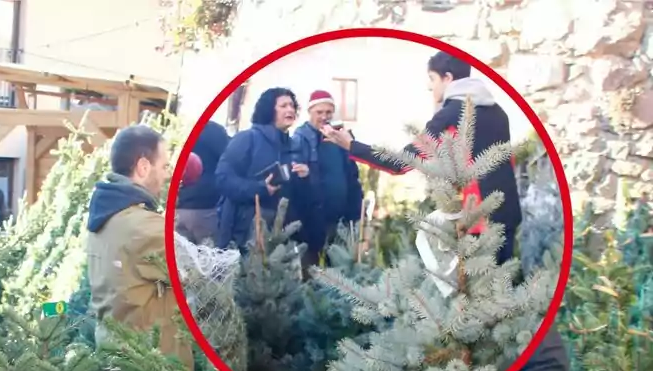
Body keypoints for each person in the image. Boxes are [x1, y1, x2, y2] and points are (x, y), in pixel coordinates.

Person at [322, 51, 522, 265]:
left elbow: (402, 162)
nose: (430, 86)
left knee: (474, 293)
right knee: (502, 287)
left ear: (448, 78)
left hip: (476, 221)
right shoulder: (499, 112)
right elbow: (506, 162)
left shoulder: (450, 114)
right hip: (507, 212)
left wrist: (351, 145)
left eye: (432, 79)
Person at [86, 124, 193, 371]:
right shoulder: (144, 226)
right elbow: (194, 272)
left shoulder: (103, 217)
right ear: (144, 167)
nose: (167, 175)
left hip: (117, 361)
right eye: (164, 166)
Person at [214, 87, 310, 252]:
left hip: (282, 238)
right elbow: (223, 179)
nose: (290, 109)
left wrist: (305, 177)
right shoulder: (247, 139)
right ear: (268, 110)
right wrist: (260, 188)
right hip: (245, 234)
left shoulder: (295, 146)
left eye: (292, 106)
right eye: (283, 106)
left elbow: (297, 195)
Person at [290, 89, 364, 268]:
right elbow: (297, 181)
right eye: (319, 112)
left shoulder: (341, 139)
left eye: (328, 112)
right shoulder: (300, 140)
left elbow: (352, 177)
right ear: (310, 113)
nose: (324, 117)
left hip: (340, 221)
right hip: (312, 222)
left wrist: (356, 213)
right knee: (312, 272)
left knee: (339, 272)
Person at [175, 119, 230, 244]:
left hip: (182, 207)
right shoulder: (216, 133)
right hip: (206, 208)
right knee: (207, 257)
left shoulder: (192, 135)